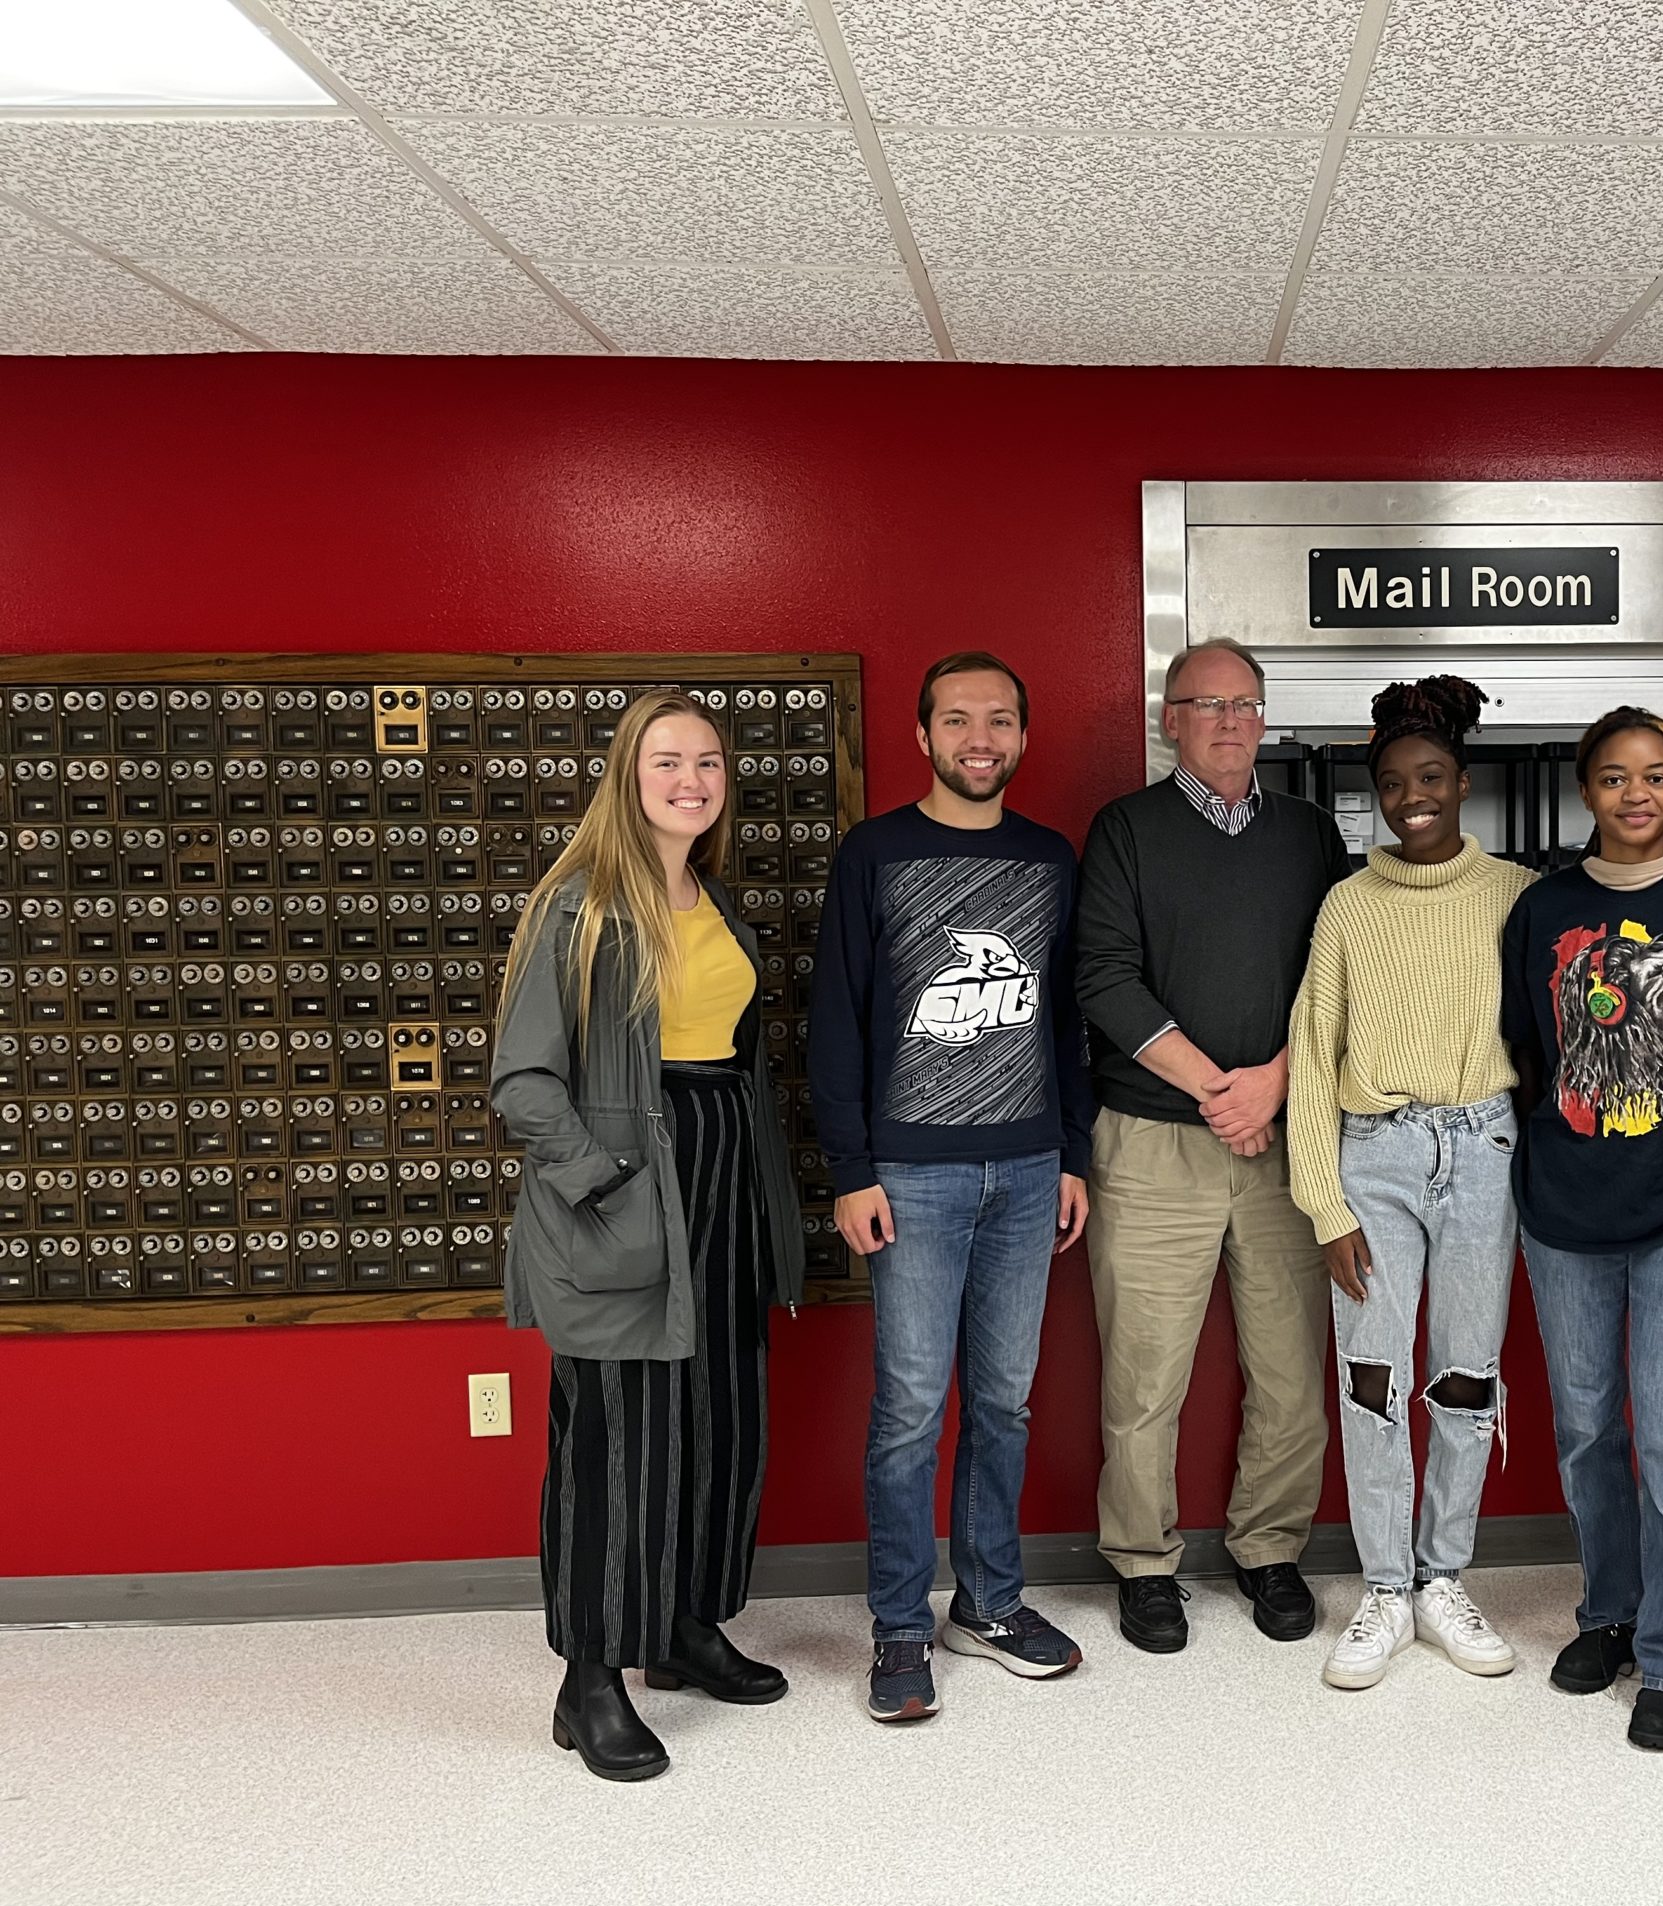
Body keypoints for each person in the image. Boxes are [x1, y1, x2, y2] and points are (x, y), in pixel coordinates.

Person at [492, 687, 806, 1784]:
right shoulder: (576, 909)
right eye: (667, 761)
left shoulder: (720, 906)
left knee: (718, 1414)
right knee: (616, 1441)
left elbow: (733, 1057)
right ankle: (589, 1680)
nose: (691, 780)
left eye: (709, 762)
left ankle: (681, 1627)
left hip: (721, 1173)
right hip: (629, 1187)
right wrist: (600, 1179)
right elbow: (523, 1081)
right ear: (628, 777)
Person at [809, 650, 1094, 1724]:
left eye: (1003, 720)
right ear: (922, 736)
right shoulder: (874, 853)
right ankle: (897, 1627)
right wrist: (850, 1171)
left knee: (1006, 1403)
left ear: (1023, 737)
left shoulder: (1050, 858)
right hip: (910, 1178)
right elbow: (834, 1019)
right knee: (910, 1410)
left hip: (1027, 1171)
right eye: (960, 720)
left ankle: (989, 1603)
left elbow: (1064, 1023)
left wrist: (1070, 1153)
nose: (983, 738)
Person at [1075, 638, 1353, 1653]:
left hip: (1286, 1140)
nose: (1230, 722)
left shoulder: (1311, 835)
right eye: (1207, 704)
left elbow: (1335, 975)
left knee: (1289, 1367)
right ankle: (1144, 1564)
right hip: (1152, 1143)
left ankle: (1269, 1549)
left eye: (1245, 704)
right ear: (1169, 720)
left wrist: (1274, 1084)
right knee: (1145, 1372)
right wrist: (1217, 1090)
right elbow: (1102, 978)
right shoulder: (1126, 831)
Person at [1499, 706, 1663, 1753]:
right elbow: (1528, 1047)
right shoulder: (1543, 910)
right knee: (1583, 1428)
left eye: (1657, 775)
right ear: (1586, 791)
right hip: (1563, 1208)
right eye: (1616, 778)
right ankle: (1607, 1613)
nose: (1638, 794)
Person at [1287, 677, 1533, 1690]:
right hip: (1375, 1154)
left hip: (1485, 1150)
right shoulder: (1347, 905)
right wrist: (1324, 1201)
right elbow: (1311, 1054)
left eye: (1428, 778)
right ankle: (1384, 1586)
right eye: (1392, 784)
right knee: (1372, 1373)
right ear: (1375, 795)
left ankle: (1443, 1578)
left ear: (1461, 782)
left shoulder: (1518, 895)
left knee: (1466, 1374)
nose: (1410, 798)